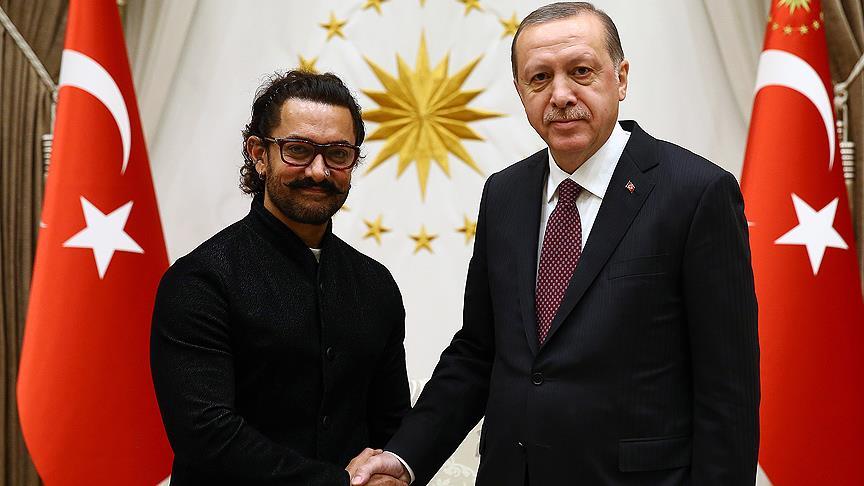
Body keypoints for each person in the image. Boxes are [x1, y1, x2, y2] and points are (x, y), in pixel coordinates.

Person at [351, 2, 759, 485]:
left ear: (621, 78)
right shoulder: (504, 194)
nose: (561, 95)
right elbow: (479, 352)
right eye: (539, 78)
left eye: (581, 71)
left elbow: (727, 391)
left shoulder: (696, 192)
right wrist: (404, 457)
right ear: (520, 91)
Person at [150, 70, 411, 486]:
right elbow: (206, 435)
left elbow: (392, 423)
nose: (319, 171)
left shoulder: (376, 285)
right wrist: (336, 484)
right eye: (298, 150)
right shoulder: (199, 281)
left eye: (338, 153)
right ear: (259, 154)